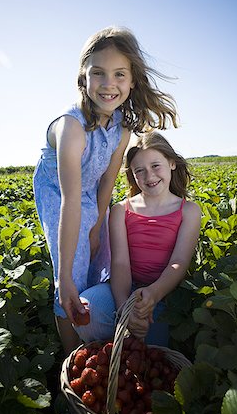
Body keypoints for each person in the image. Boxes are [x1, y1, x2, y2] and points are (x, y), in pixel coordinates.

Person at [33, 26, 178, 353]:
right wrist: (66, 275)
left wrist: (98, 225)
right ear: (82, 78)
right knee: (69, 277)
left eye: (119, 74)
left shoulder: (122, 129)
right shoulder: (71, 127)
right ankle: (71, 357)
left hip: (90, 194)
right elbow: (70, 201)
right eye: (98, 73)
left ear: (132, 80)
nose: (109, 83)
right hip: (59, 195)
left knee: (99, 261)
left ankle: (99, 336)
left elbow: (107, 182)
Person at [75, 132, 201, 346]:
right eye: (139, 171)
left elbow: (179, 262)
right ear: (132, 175)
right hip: (125, 288)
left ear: (171, 163)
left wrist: (153, 294)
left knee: (152, 349)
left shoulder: (189, 210)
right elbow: (120, 263)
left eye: (155, 166)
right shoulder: (121, 210)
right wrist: (124, 306)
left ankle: (123, 345)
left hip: (164, 293)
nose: (149, 176)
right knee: (87, 308)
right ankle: (111, 351)